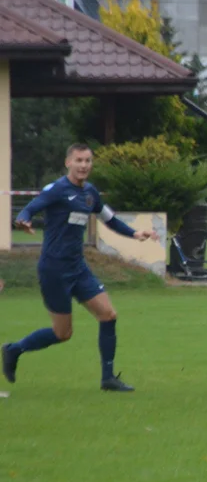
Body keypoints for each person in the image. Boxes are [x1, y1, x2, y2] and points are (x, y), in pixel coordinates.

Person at [1, 144, 159, 391]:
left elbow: (110, 219)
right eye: (79, 160)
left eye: (87, 160)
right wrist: (23, 219)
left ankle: (108, 378)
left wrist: (135, 233)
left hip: (78, 268)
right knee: (63, 333)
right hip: (54, 270)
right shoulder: (56, 190)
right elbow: (31, 207)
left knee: (109, 315)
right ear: (68, 163)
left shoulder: (90, 193)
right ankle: (14, 349)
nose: (84, 165)